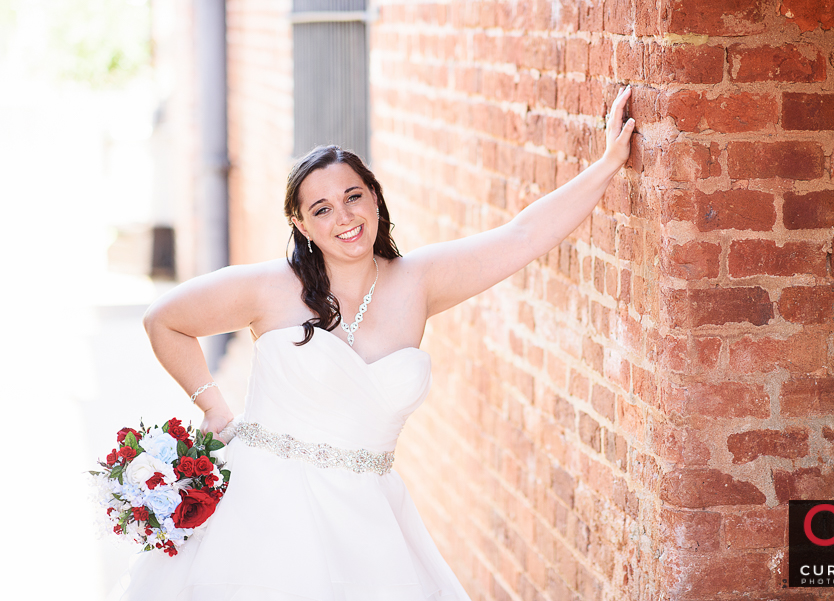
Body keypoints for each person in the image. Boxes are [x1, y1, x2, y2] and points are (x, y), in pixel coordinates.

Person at [109, 87, 635, 600]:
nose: (344, 218)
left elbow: (522, 236)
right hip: (265, 513)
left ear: (375, 197)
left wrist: (609, 163)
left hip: (371, 524)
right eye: (321, 209)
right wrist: (215, 408)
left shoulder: (418, 281)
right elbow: (164, 320)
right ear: (301, 224)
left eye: (353, 196)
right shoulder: (269, 287)